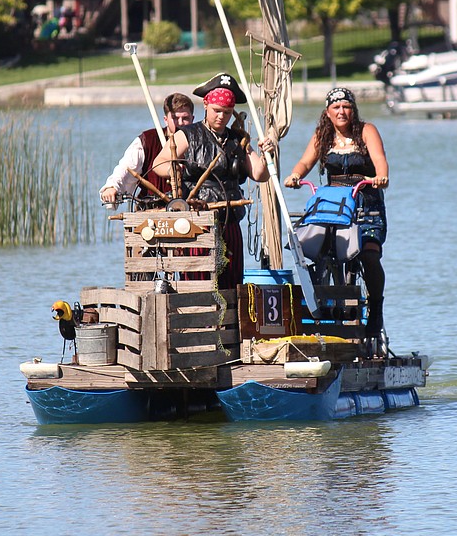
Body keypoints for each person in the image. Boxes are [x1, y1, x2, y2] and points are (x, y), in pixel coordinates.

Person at [148, 73, 275, 288]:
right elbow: (158, 164)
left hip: (230, 220)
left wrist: (268, 154)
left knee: (231, 280)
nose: (221, 117)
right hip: (198, 221)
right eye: (217, 111)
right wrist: (175, 168)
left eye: (226, 113)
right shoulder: (188, 134)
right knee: (198, 280)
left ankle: (229, 321)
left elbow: (260, 174)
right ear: (206, 106)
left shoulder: (238, 138)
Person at [285, 87, 389, 342]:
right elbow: (305, 162)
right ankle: (319, 308)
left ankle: (375, 309)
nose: (342, 112)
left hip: (365, 200)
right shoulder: (323, 134)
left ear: (353, 110)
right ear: (328, 112)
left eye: (346, 107)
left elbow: (380, 160)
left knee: (369, 253)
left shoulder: (367, 130)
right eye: (336, 108)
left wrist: (380, 177)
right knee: (317, 249)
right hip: (334, 203)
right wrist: (296, 175)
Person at [99, 93, 195, 207]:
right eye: (175, 118)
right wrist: (112, 187)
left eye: (185, 118)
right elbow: (125, 168)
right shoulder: (148, 141)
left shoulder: (199, 141)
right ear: (165, 119)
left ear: (192, 118)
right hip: (151, 214)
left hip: (190, 213)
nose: (180, 123)